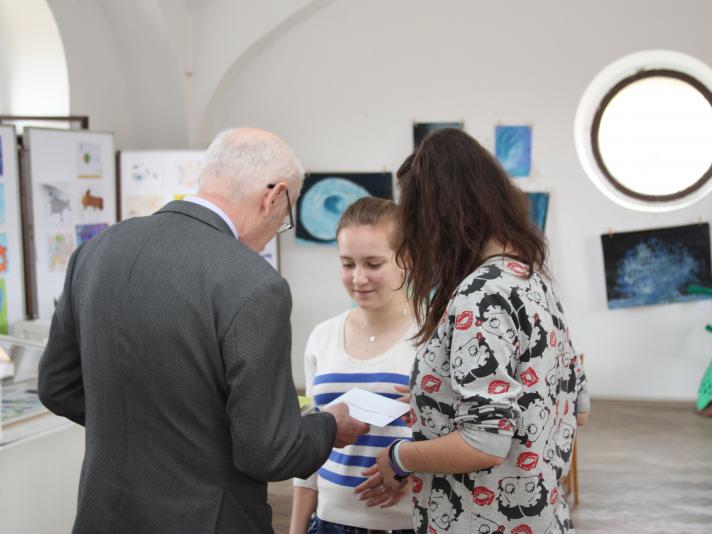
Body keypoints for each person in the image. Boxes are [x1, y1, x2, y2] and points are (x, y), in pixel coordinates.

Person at [38, 127, 369, 534]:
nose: (276, 227)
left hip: (102, 515)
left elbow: (57, 387)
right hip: (207, 518)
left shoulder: (97, 250)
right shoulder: (254, 283)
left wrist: (151, 432)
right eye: (285, 217)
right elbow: (269, 452)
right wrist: (330, 425)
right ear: (274, 196)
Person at [356, 129, 590, 534]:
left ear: (441, 217)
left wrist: (399, 456)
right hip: (543, 519)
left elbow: (484, 443)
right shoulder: (533, 280)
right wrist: (438, 395)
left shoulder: (481, 295)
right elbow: (576, 409)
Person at [289, 197, 417, 534]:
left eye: (373, 263)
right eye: (347, 264)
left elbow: (464, 438)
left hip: (410, 523)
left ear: (406, 258)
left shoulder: (433, 336)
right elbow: (310, 449)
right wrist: (296, 529)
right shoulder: (322, 337)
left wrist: (412, 468)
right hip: (331, 523)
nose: (358, 278)